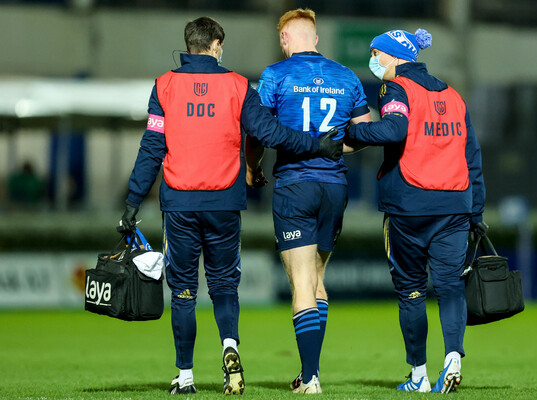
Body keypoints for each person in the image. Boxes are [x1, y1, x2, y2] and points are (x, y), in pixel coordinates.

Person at [118, 16, 342, 396]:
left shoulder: (165, 85)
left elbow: (152, 147)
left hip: (180, 203)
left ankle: (185, 376)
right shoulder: (239, 85)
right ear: (217, 45)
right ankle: (229, 347)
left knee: (184, 291)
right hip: (224, 202)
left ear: (188, 45)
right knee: (224, 284)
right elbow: (268, 132)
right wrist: (316, 145)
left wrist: (132, 201)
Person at [346, 28, 488, 394]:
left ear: (395, 56)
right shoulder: (454, 95)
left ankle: (419, 376)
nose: (373, 60)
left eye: (376, 53)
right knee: (451, 287)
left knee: (411, 290)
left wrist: (351, 134)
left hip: (409, 206)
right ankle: (453, 358)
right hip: (455, 206)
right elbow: (472, 157)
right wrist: (476, 212)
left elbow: (393, 130)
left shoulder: (395, 88)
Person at [253, 8, 371, 394]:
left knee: (301, 280)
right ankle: (310, 373)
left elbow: (258, 131)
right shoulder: (347, 76)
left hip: (295, 186)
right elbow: (365, 134)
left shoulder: (275, 75)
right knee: (318, 279)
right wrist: (336, 148)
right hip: (335, 188)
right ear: (316, 39)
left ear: (284, 39)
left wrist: (252, 167)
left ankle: (310, 377)